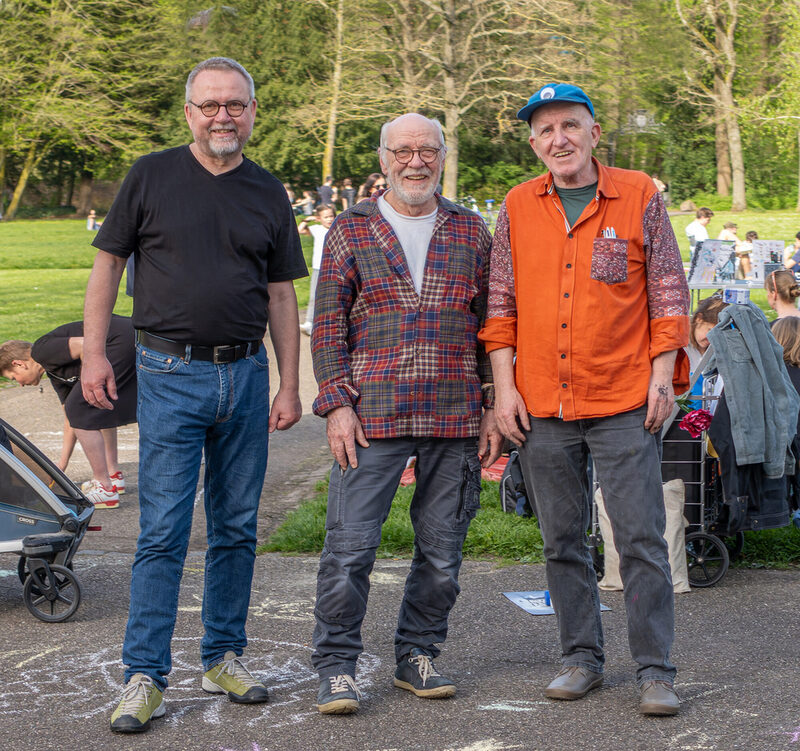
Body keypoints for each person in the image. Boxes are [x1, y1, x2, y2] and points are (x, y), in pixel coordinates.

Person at [80, 57, 307, 733]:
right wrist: (94, 351)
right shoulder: (151, 175)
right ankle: (144, 674)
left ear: (252, 112)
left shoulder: (268, 191)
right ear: (189, 113)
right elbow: (107, 264)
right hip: (169, 373)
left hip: (245, 376)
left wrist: (290, 381)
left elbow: (280, 293)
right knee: (163, 532)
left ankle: (223, 655)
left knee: (236, 528)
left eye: (235, 104)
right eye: (209, 105)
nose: (222, 116)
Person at [479, 83, 690, 716]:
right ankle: (581, 658)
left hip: (624, 395)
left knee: (642, 539)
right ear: (534, 142)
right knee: (561, 538)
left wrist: (663, 377)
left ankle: (655, 669)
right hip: (543, 401)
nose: (558, 140)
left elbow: (670, 294)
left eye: (569, 126)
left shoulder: (640, 195)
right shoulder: (517, 205)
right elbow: (499, 305)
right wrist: (504, 389)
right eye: (544, 131)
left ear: (595, 132)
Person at [309, 112, 502, 715]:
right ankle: (337, 665)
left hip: (455, 412)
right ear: (383, 158)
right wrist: (336, 405)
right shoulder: (350, 229)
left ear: (443, 156)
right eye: (403, 151)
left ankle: (418, 653)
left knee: (442, 553)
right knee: (350, 549)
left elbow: (493, 328)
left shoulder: (473, 231)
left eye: (427, 150)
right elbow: (328, 328)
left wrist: (494, 402)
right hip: (374, 413)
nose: (415, 161)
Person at [0, 314, 136, 508]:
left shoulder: (41, 351)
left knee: (83, 404)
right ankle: (113, 476)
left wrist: (89, 377)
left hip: (122, 338)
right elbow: (70, 420)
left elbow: (85, 345)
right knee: (94, 404)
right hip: (124, 338)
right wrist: (61, 466)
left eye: (14, 378)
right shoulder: (56, 373)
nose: (19, 385)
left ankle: (104, 488)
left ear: (19, 364)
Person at [298, 203, 336, 335]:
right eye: (326, 217)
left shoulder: (337, 228)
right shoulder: (316, 228)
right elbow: (300, 230)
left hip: (334, 267)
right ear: (319, 218)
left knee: (333, 297)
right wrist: (307, 219)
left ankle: (330, 325)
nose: (329, 219)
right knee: (315, 295)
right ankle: (310, 323)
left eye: (331, 216)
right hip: (319, 267)